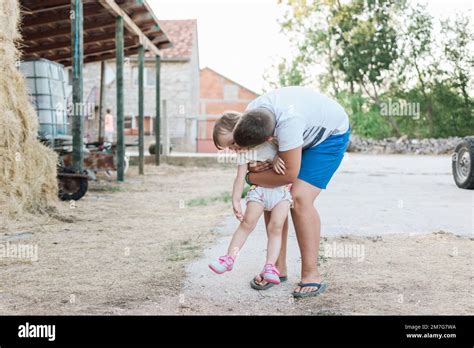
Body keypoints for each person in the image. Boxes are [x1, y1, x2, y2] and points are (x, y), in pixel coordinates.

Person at [218, 86, 350, 298]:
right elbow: (260, 165)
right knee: (271, 190)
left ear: (269, 139)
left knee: (299, 198)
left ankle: (311, 274)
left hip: (328, 137)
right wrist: (258, 167)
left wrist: (250, 178)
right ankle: (276, 268)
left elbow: (288, 175)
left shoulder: (289, 123)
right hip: (294, 133)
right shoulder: (251, 113)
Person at [208, 113, 293, 285]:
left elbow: (288, 154)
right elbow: (240, 178)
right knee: (247, 223)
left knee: (275, 228)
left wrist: (277, 158)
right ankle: (229, 258)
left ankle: (270, 266)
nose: (233, 149)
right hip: (259, 192)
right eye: (229, 148)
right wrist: (235, 200)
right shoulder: (243, 154)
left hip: (281, 193)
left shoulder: (270, 141)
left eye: (232, 143)